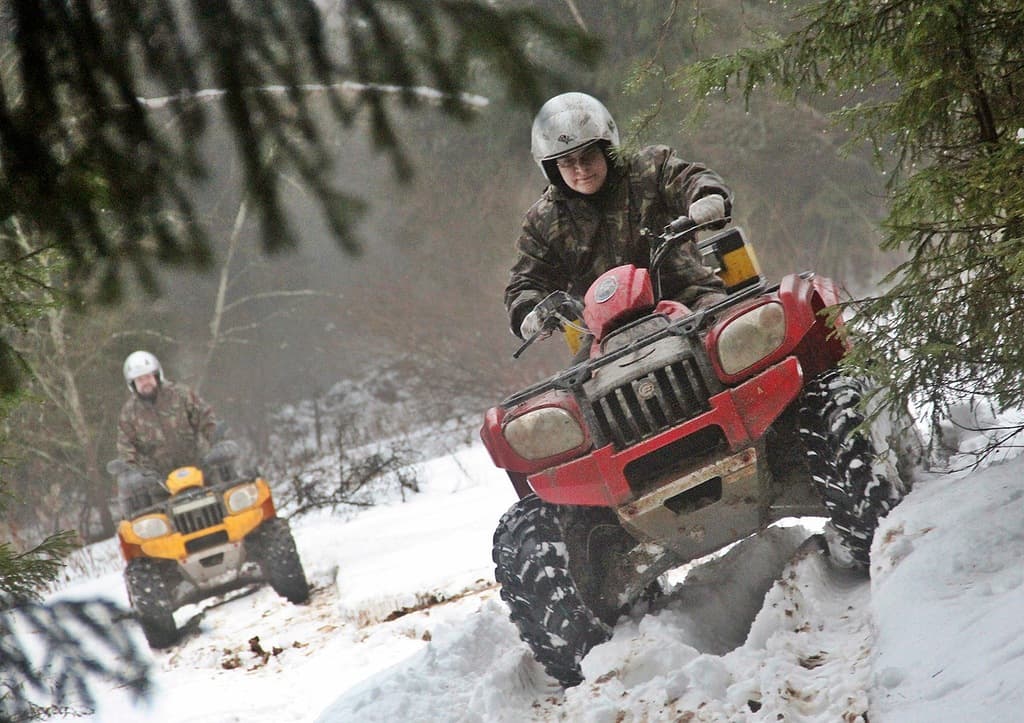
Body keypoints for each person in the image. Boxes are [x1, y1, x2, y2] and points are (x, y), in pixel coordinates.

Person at [505, 92, 734, 341]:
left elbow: (687, 178)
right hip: (608, 331)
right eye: (567, 162)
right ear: (553, 168)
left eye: (588, 155)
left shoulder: (649, 168)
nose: (581, 169)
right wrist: (528, 313)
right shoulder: (544, 220)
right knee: (587, 369)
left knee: (734, 335)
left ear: (606, 149)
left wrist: (707, 197)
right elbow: (527, 280)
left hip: (689, 298)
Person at [116, 350, 220, 481]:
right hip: (159, 484)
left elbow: (207, 419)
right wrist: (133, 474)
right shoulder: (129, 414)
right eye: (140, 380)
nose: (145, 382)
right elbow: (126, 450)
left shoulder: (181, 395)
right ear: (132, 384)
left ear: (156, 375)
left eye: (147, 377)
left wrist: (219, 443)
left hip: (201, 471)